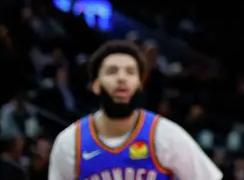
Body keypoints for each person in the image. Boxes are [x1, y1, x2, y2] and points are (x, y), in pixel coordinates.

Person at [48, 40, 222, 180]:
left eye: (130, 72)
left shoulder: (166, 135)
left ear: (140, 84)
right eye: (112, 71)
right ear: (96, 84)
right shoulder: (70, 143)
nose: (122, 78)